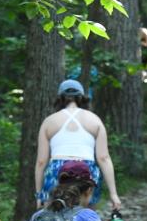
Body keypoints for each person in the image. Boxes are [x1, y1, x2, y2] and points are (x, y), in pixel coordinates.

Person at [34, 79, 122, 212]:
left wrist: (39, 195)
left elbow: (41, 162)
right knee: (86, 213)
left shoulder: (49, 122)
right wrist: (113, 194)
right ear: (82, 98)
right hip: (86, 170)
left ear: (60, 98)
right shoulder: (95, 120)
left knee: (52, 216)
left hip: (58, 170)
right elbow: (103, 158)